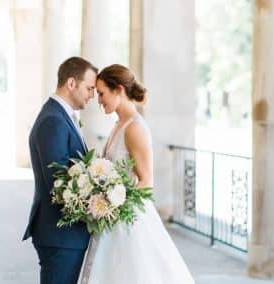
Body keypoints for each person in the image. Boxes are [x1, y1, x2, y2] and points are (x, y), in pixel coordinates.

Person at [78, 64, 195, 284]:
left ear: (119, 90)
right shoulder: (117, 125)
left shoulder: (135, 128)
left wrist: (113, 205)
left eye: (102, 93)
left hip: (127, 222)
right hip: (111, 219)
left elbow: (146, 181)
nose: (99, 100)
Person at [22, 57, 98, 284]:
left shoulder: (61, 116)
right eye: (89, 88)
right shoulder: (53, 120)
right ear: (71, 83)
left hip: (65, 235)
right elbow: (59, 181)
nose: (92, 95)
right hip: (59, 234)